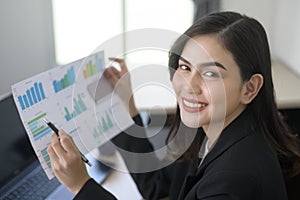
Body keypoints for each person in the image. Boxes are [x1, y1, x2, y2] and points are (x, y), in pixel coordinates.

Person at [47, 11, 300, 199]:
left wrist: (82, 186)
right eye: (184, 67)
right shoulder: (209, 134)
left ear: (250, 88)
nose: (188, 85)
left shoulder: (234, 181)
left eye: (211, 73)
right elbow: (160, 190)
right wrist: (128, 110)